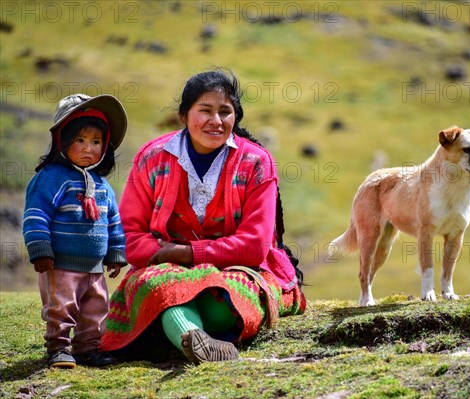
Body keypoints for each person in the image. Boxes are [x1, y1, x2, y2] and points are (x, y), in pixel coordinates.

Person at [100, 70, 306, 364]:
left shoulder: (256, 163)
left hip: (240, 268)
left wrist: (186, 253)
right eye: (205, 111)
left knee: (221, 300)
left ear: (236, 117)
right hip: (166, 267)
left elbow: (253, 246)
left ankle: (180, 331)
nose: (216, 121)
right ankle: (201, 342)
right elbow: (129, 236)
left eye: (225, 112)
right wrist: (166, 257)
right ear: (183, 115)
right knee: (157, 286)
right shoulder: (152, 158)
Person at [23, 94, 129, 368]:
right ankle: (58, 348)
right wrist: (40, 250)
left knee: (96, 308)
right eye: (80, 140)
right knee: (62, 307)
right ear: (62, 140)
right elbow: (36, 215)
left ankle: (87, 348)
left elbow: (113, 221)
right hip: (60, 265)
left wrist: (116, 252)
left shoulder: (102, 185)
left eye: (96, 142)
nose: (88, 148)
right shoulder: (50, 178)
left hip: (93, 268)